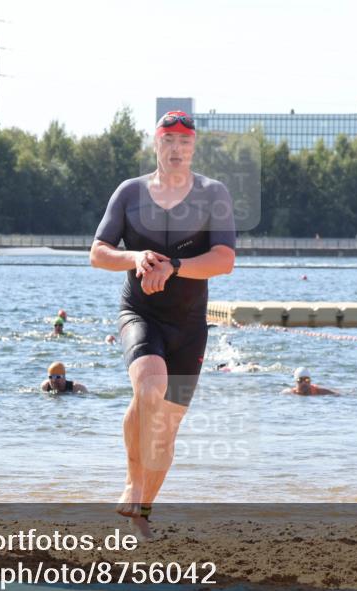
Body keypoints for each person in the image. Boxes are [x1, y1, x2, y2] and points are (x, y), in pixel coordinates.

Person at [90, 110, 236, 537]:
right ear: (155, 144)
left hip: (190, 324)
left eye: (184, 143)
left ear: (194, 148)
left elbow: (224, 261)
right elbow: (98, 253)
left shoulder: (214, 195)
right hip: (141, 313)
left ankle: (141, 510)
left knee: (166, 431)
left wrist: (173, 265)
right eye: (168, 140)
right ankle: (133, 485)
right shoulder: (130, 193)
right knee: (148, 388)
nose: (176, 149)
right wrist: (136, 257)